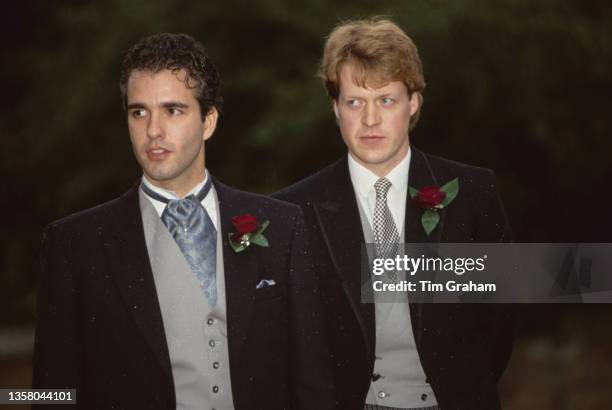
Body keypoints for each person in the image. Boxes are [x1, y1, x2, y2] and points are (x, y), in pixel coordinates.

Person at [33, 33, 332, 410]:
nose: (153, 130)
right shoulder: (73, 244)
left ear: (208, 121)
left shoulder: (284, 226)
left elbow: (314, 383)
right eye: (139, 112)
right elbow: (50, 393)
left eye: (173, 110)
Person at [274, 18, 513, 410]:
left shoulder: (472, 193)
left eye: (386, 99)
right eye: (355, 102)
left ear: (413, 102)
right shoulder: (293, 210)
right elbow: (292, 344)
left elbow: (498, 324)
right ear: (335, 108)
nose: (370, 119)